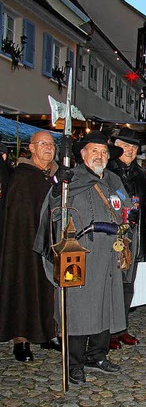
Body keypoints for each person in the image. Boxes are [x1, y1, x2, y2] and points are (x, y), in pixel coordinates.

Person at [35, 131, 132, 385]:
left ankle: (97, 356)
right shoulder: (71, 179)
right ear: (82, 154)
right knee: (78, 311)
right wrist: (58, 186)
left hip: (109, 254)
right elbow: (53, 209)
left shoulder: (113, 179)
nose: (99, 155)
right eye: (94, 151)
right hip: (79, 256)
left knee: (106, 306)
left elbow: (127, 207)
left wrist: (129, 216)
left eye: (103, 152)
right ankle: (74, 364)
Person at [0, 131, 60, 362]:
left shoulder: (54, 176)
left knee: (49, 288)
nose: (48, 148)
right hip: (23, 244)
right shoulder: (21, 177)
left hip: (51, 242)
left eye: (51, 144)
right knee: (23, 287)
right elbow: (16, 216)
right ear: (31, 148)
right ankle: (21, 339)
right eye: (43, 144)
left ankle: (47, 333)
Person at [107, 127, 146, 350]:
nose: (130, 150)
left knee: (126, 286)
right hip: (111, 237)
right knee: (109, 285)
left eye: (133, 147)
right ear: (115, 147)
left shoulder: (141, 175)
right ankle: (106, 331)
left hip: (133, 237)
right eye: (125, 146)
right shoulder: (105, 172)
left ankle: (121, 328)